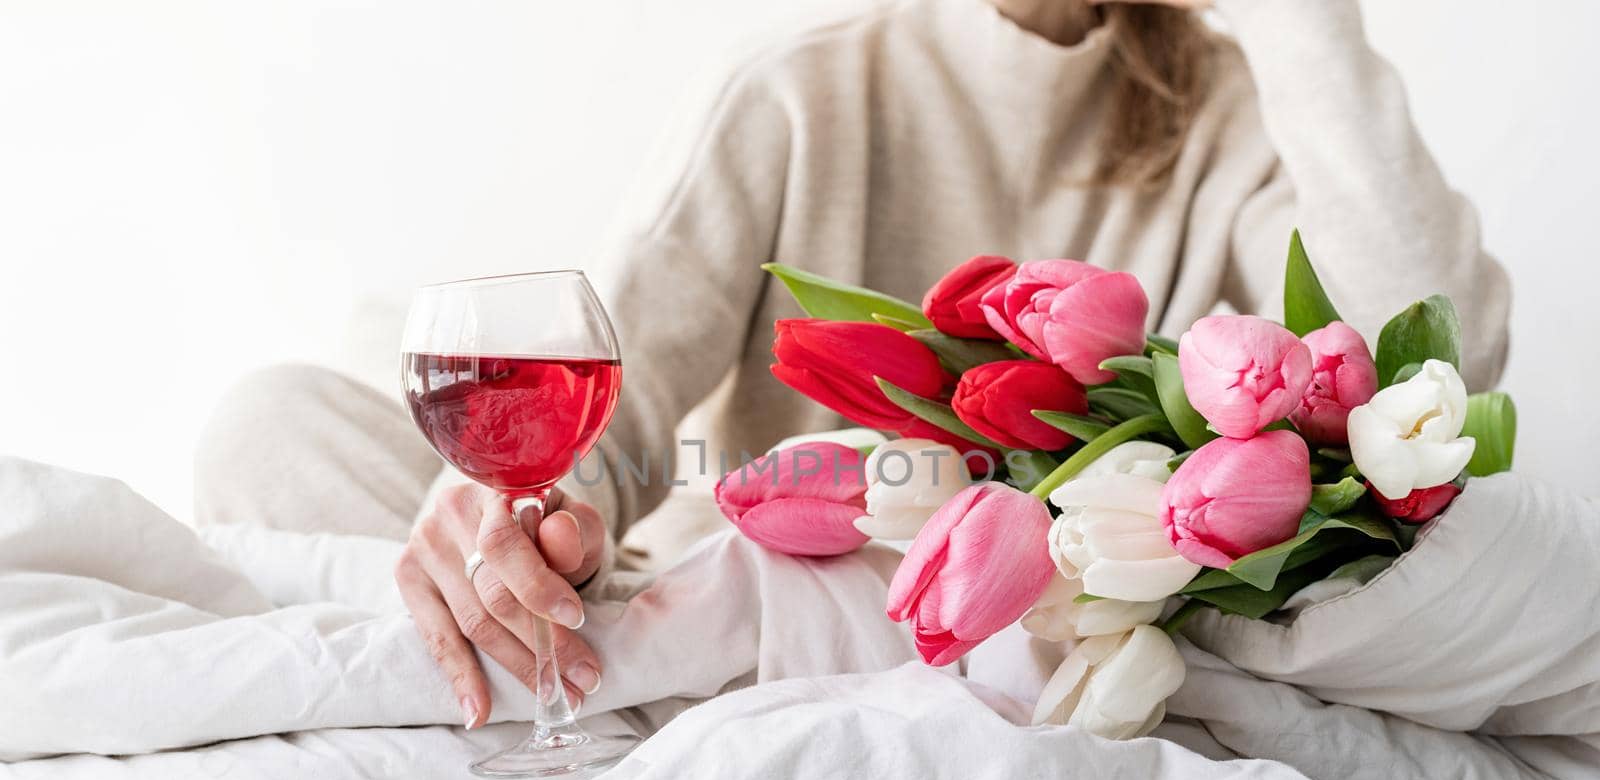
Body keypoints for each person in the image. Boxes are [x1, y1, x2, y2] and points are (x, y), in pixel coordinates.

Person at [194, 0, 1512, 728]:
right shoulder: (798, 88)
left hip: (1026, 630)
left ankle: (604, 700)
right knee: (274, 426)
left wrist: (1304, 23)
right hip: (743, 586)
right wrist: (531, 522)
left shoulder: (1234, 111)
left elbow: (1441, 365)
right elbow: (621, 404)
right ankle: (584, 667)